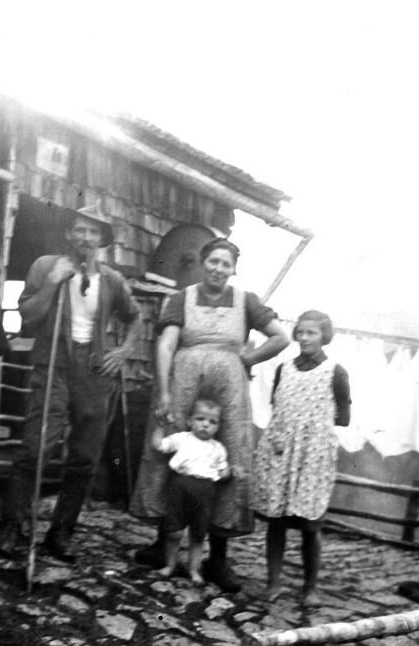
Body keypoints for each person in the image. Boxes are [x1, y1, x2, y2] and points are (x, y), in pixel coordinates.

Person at [129, 237, 290, 592]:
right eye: (213, 261)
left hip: (228, 390)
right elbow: (166, 344)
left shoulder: (246, 300)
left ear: (233, 269)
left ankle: (217, 558)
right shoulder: (181, 298)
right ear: (203, 263)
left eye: (225, 264)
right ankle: (163, 545)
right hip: (183, 381)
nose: (218, 269)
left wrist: (245, 360)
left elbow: (280, 338)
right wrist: (165, 391)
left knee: (229, 459)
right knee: (169, 450)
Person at [0, 203, 141, 561]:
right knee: (35, 447)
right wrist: (53, 282)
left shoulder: (111, 280)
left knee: (84, 457)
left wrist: (122, 352)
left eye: (93, 231)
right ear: (69, 234)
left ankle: (61, 533)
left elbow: (134, 319)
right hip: (53, 364)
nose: (86, 237)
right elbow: (26, 317)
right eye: (80, 230)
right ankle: (11, 528)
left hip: (94, 372)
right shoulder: (46, 266)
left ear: (102, 239)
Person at [251, 309, 351, 606]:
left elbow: (343, 418)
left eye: (312, 333)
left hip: (312, 456)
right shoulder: (284, 369)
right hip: (281, 452)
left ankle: (310, 588)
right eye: (301, 332)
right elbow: (278, 408)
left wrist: (310, 431)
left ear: (324, 336)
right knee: (276, 522)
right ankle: (273, 583)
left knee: (310, 525)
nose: (305, 338)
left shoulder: (335, 372)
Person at [151, 394, 230, 584]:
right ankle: (170, 565)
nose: (205, 424)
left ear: (218, 427)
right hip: (181, 486)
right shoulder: (183, 439)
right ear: (190, 421)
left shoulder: (218, 448)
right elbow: (158, 445)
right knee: (174, 531)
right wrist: (160, 426)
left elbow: (223, 472)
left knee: (198, 534)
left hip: (205, 491)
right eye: (200, 419)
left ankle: (194, 569)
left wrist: (231, 471)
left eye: (212, 422)